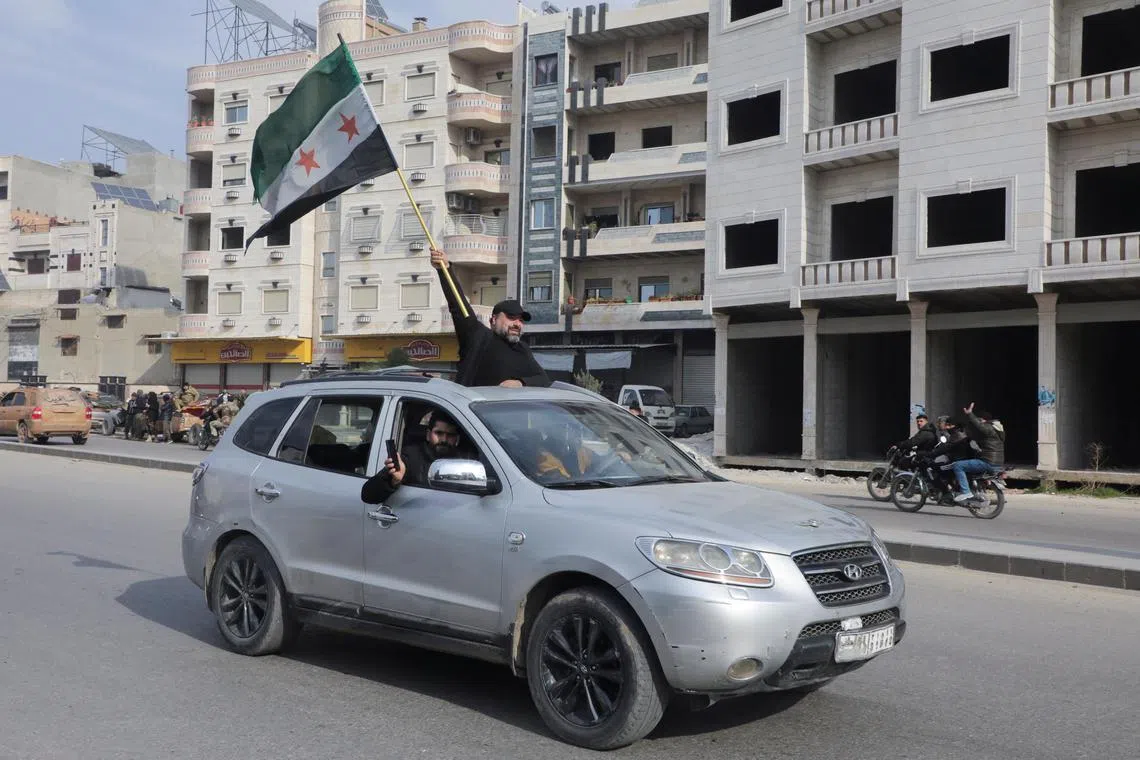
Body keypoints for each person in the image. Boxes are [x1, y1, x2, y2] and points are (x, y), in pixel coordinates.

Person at [430, 247, 551, 388]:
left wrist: (520, 382)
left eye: (521, 320)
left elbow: (543, 379)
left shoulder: (522, 349)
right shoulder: (478, 337)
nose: (517, 324)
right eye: (511, 317)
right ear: (493, 320)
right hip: (468, 408)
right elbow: (458, 306)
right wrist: (445, 269)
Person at [361, 410, 463, 505]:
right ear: (428, 435)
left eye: (450, 435)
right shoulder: (411, 457)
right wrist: (394, 481)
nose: (444, 439)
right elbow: (368, 495)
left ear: (457, 439)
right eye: (439, 433)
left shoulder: (466, 461)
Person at [949, 402, 1005, 503]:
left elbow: (979, 426)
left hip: (988, 462)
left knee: (958, 465)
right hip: (997, 463)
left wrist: (970, 414)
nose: (979, 423)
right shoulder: (997, 430)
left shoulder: (988, 428)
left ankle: (966, 492)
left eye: (980, 420)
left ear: (983, 420)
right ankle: (973, 489)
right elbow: (976, 438)